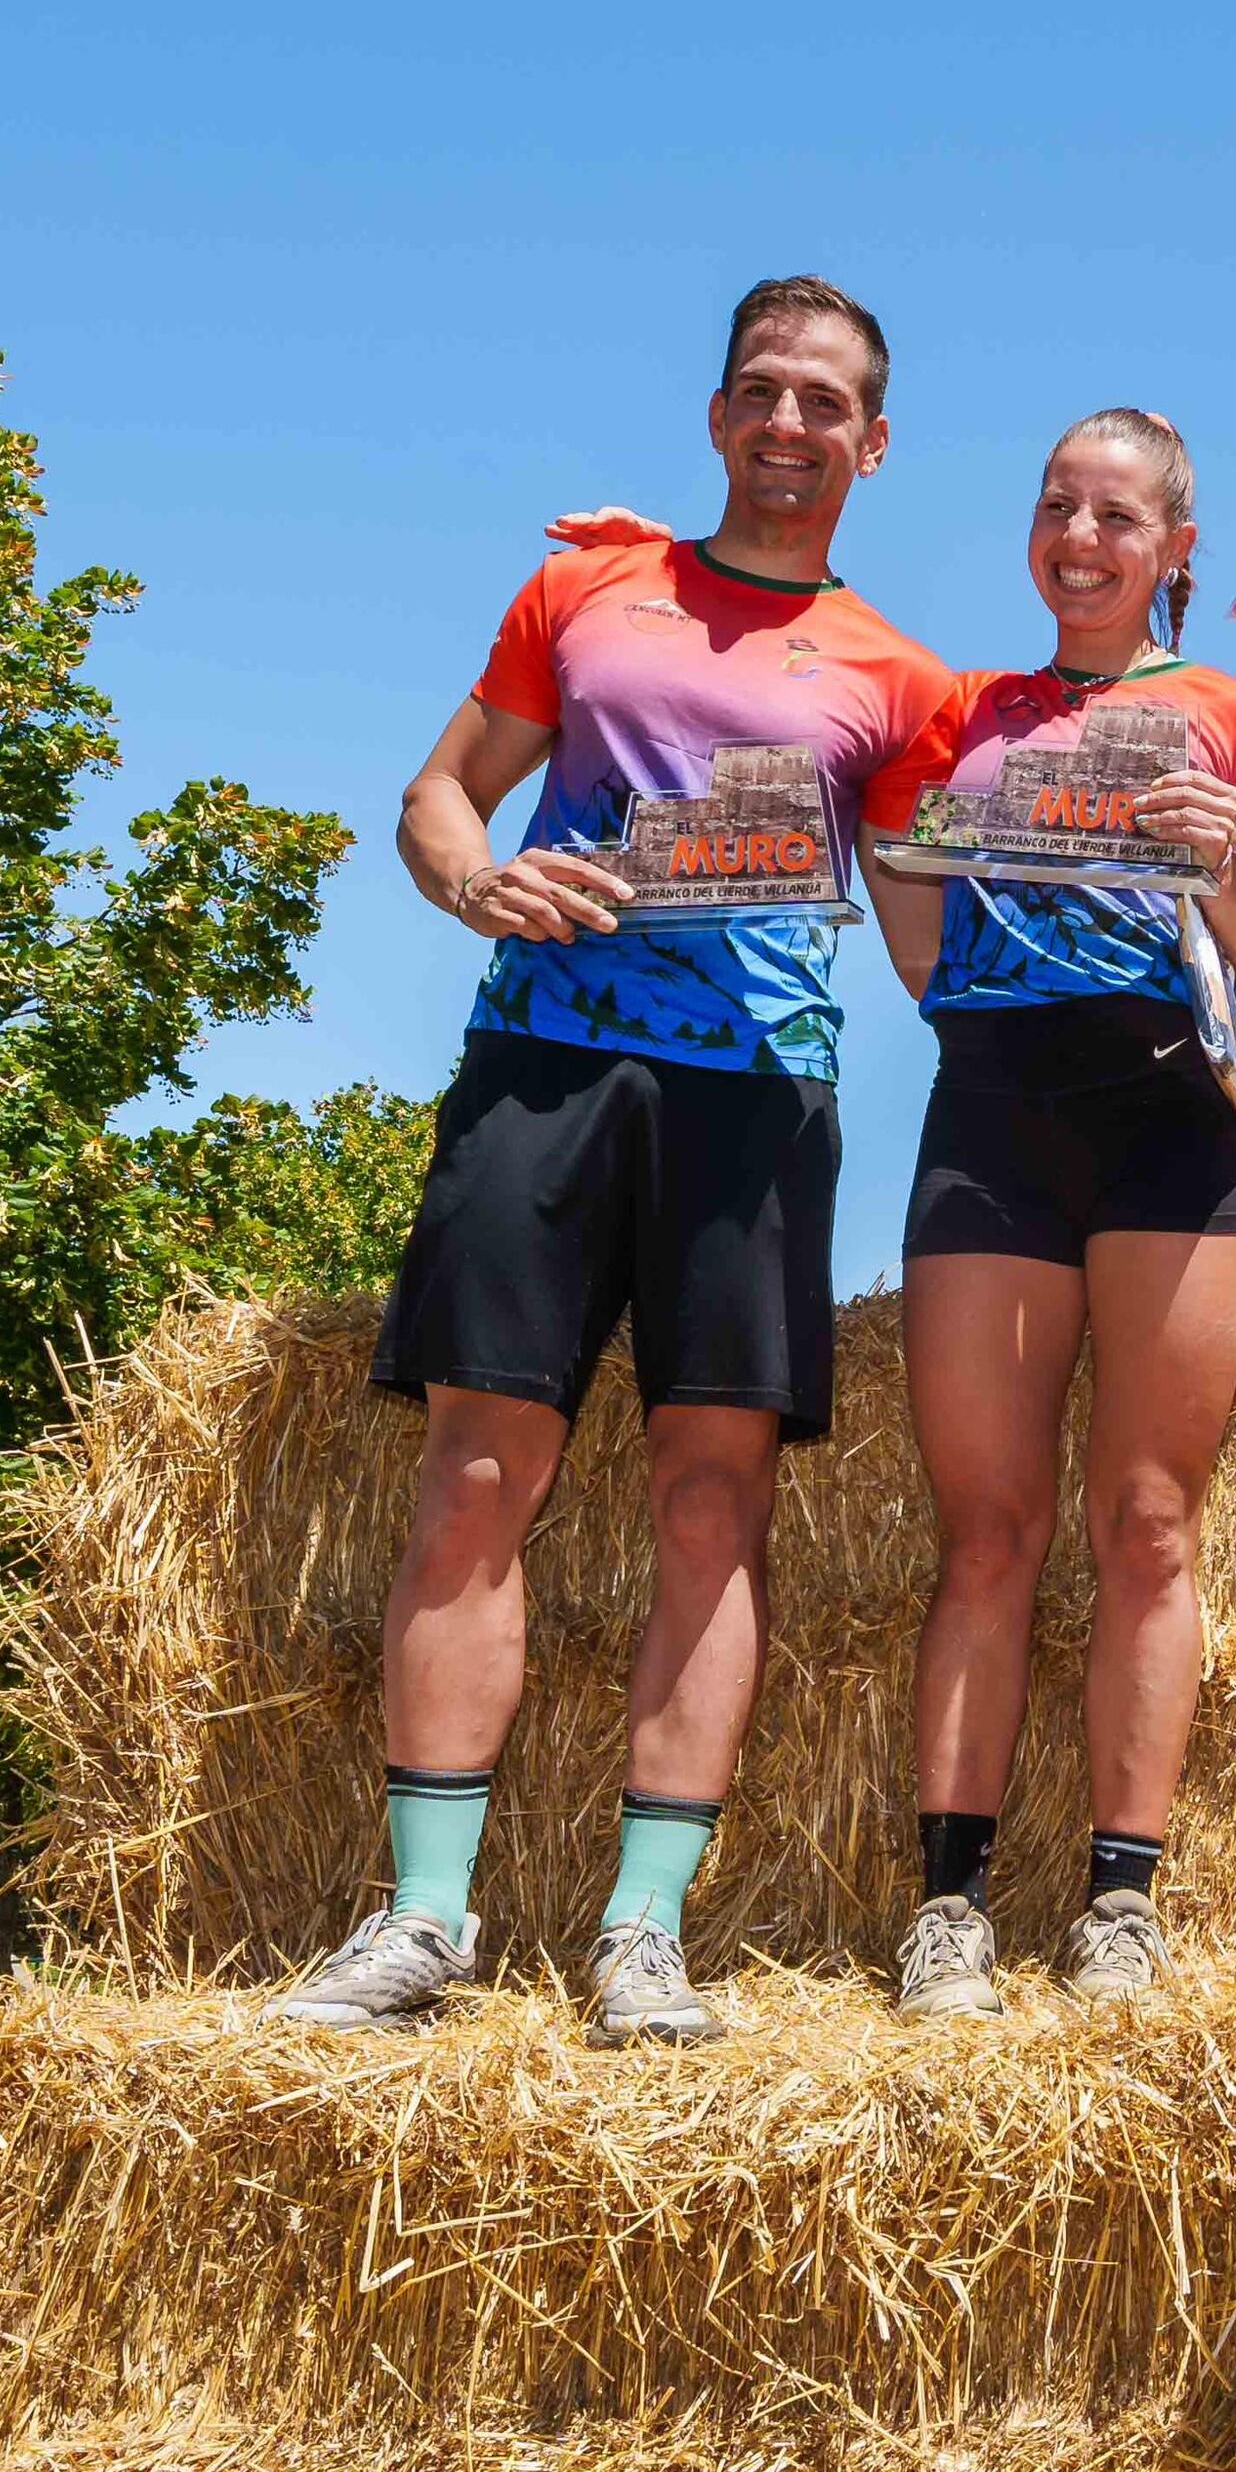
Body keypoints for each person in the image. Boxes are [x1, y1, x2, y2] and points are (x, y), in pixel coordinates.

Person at [278, 276, 950, 2048]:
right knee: (478, 1478)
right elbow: (439, 791)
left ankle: (642, 1934)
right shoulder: (586, 585)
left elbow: (933, 944)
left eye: (827, 402)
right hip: (546, 1063)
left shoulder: (900, 675)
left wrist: (1170, 934)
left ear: (874, 443)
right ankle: (424, 1913)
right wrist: (470, 875)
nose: (791, 425)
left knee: (714, 1511)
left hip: (756, 1104)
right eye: (763, 392)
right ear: (721, 414)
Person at [856, 409, 1236, 2016]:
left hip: (1170, 1125)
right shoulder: (959, 714)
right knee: (986, 1527)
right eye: (1057, 504)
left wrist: (1233, 867)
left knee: (1147, 1520)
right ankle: (948, 1909)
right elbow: (903, 896)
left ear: (1177, 547)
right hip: (993, 1112)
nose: (1081, 536)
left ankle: (1121, 1903)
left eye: (1119, 515)